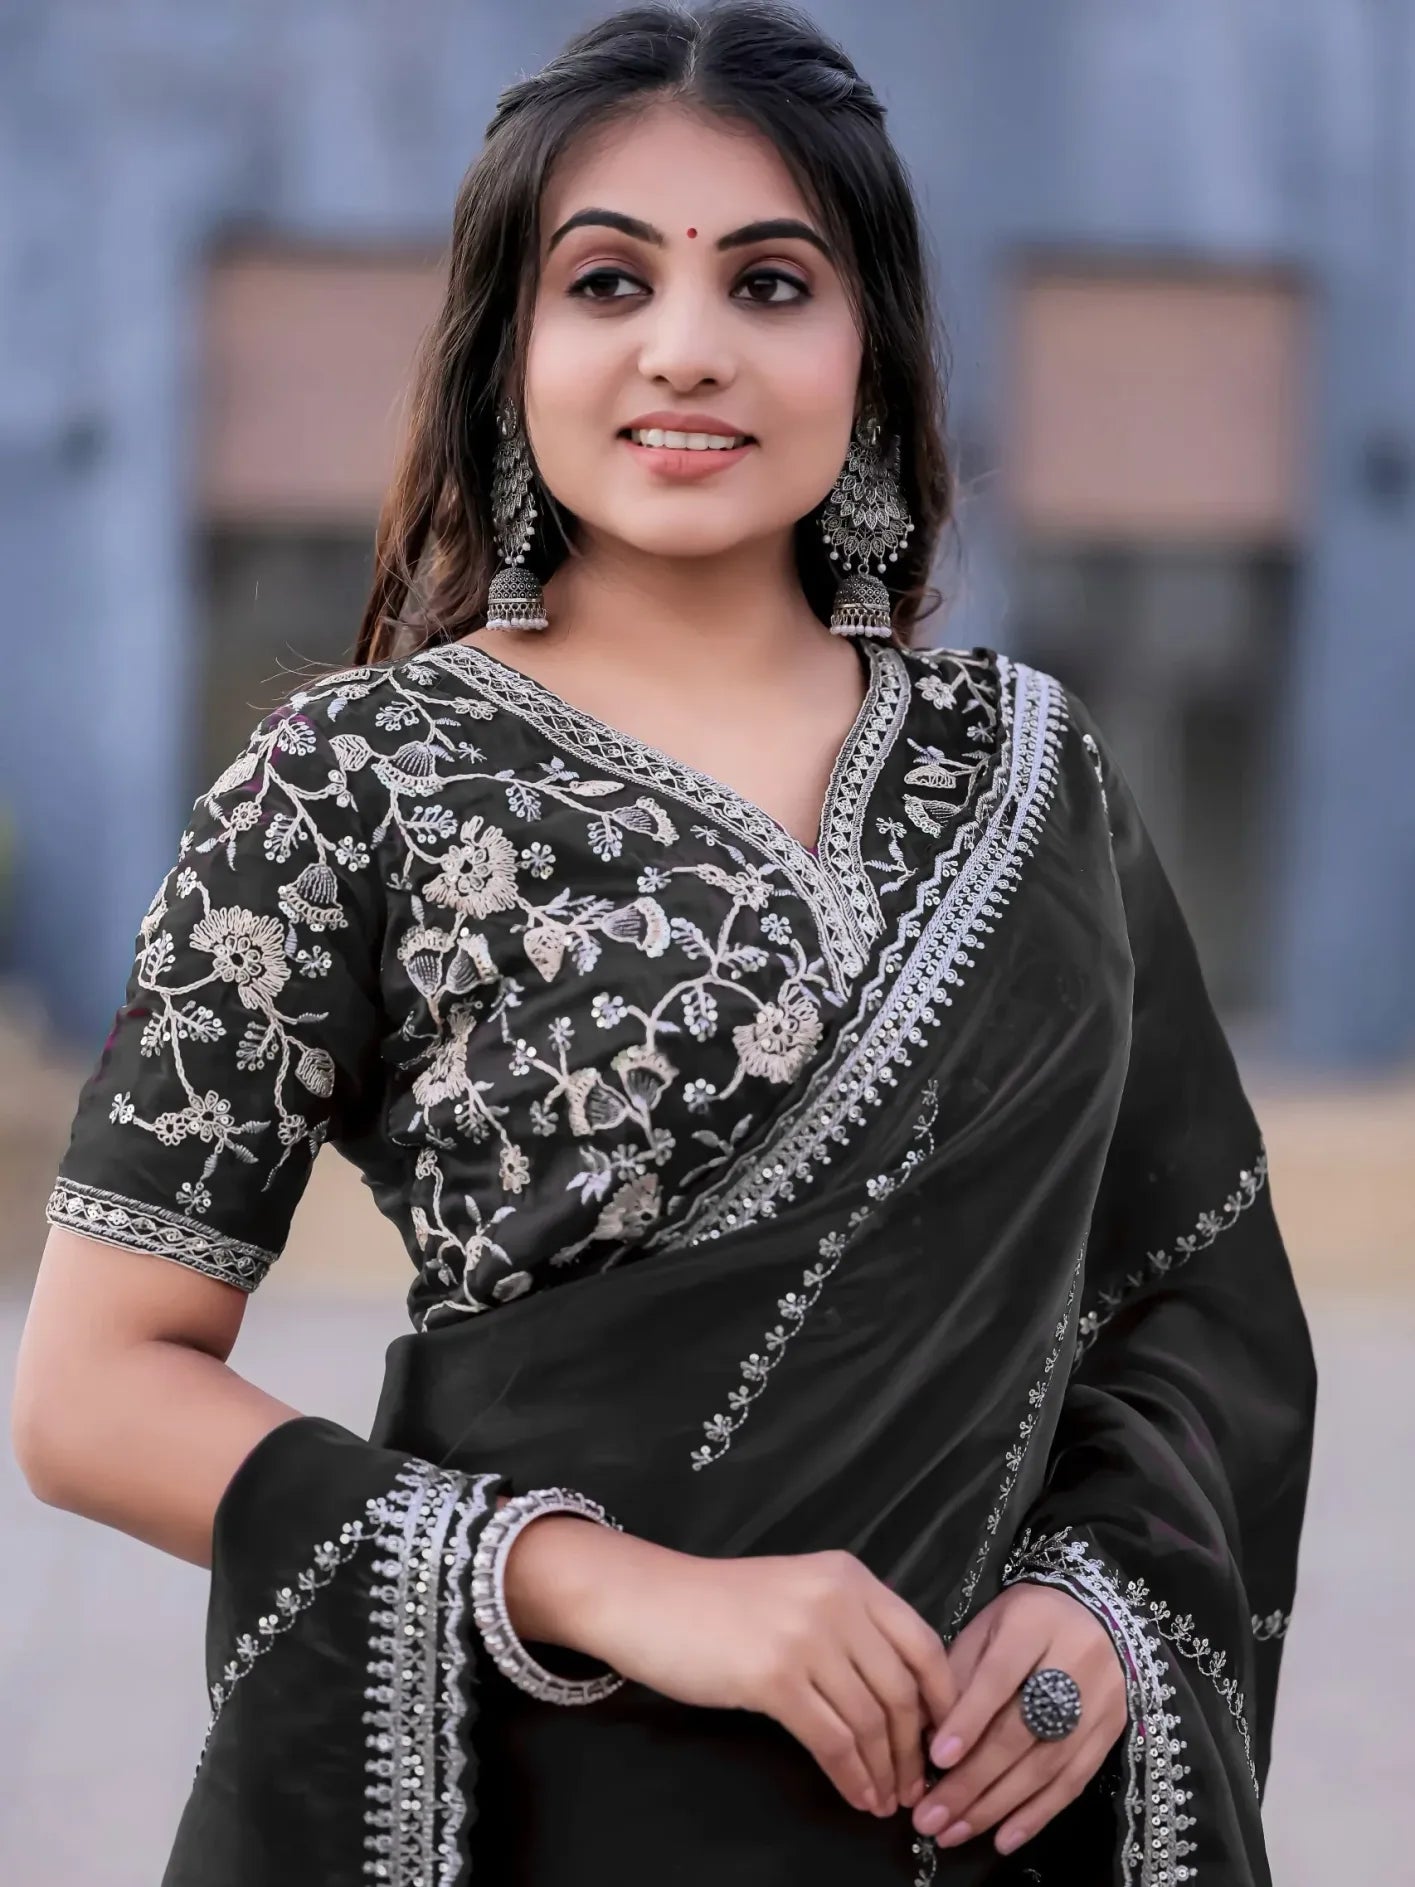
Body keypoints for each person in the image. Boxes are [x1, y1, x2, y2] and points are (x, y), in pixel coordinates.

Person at [12, 4, 1315, 1882]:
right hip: (566, 1798)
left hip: (1006, 1801)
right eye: (606, 280)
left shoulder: (1036, 770)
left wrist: (1105, 1599)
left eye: (773, 285)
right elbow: (89, 1389)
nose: (687, 349)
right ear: (507, 350)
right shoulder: (351, 781)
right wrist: (610, 1586)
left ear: (870, 357)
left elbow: (1199, 1293)